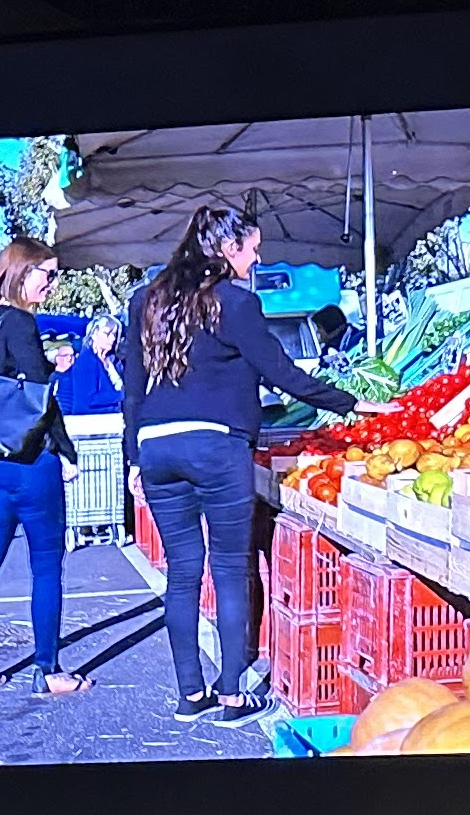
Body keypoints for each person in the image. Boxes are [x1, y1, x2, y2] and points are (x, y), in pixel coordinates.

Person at [125, 201, 356, 720]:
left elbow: (133, 391)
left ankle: (190, 695)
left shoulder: (146, 302)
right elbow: (282, 374)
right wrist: (350, 404)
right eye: (252, 249)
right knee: (230, 568)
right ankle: (231, 693)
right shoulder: (235, 302)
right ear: (228, 249)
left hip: (157, 446)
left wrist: (134, 457)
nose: (257, 259)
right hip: (217, 445)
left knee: (183, 573)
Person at [0, 239, 86, 697]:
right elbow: (40, 399)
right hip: (30, 464)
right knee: (45, 566)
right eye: (47, 274)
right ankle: (47, 669)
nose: (52, 284)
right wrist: (66, 451)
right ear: (22, 273)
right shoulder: (22, 323)